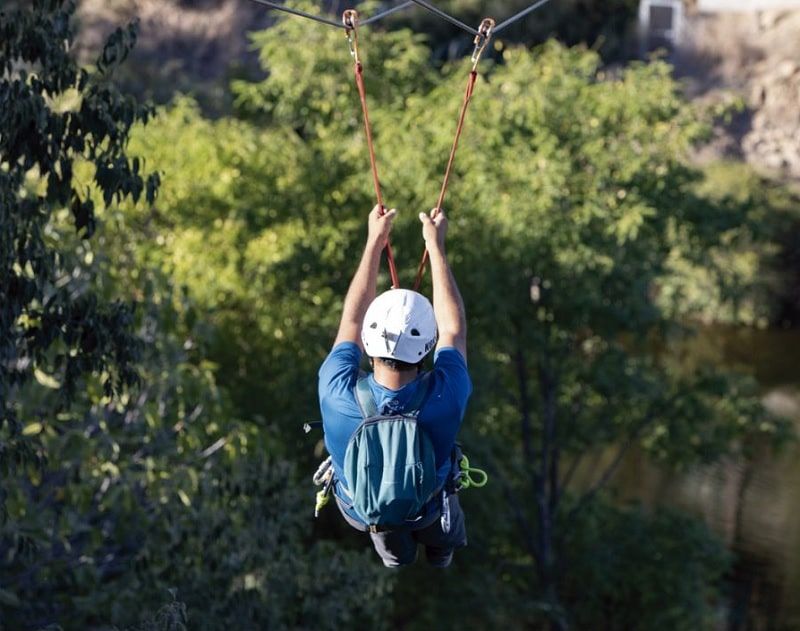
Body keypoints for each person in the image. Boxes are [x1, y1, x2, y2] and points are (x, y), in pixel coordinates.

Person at [318, 204, 472, 568]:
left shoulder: (336, 391)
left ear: (369, 346)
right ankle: (440, 552)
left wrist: (374, 242)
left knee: (391, 543)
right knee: (440, 526)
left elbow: (351, 321)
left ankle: (395, 557)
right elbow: (453, 329)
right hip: (428, 508)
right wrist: (435, 246)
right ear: (426, 349)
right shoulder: (445, 396)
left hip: (360, 510)